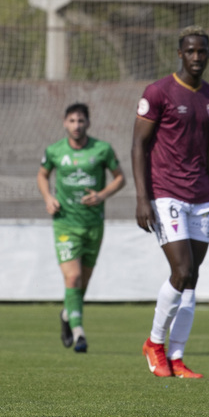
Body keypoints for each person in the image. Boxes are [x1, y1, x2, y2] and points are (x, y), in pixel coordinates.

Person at [132, 25, 209, 379]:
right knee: (181, 270)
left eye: (203, 51)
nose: (197, 57)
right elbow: (138, 146)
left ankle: (177, 356)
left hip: (201, 198)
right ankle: (154, 343)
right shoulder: (158, 92)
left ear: (208, 54)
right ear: (180, 53)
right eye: (191, 51)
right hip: (166, 193)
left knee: (192, 278)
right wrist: (143, 198)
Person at [37, 102, 125, 354]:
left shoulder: (102, 149)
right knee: (72, 278)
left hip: (93, 224)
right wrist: (48, 198)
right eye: (72, 121)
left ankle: (67, 315)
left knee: (81, 285)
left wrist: (101, 195)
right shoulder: (55, 151)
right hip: (65, 223)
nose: (76, 126)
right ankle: (79, 333)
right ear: (65, 123)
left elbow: (120, 178)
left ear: (88, 123)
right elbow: (42, 175)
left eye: (81, 121)